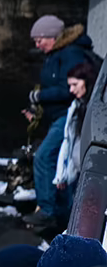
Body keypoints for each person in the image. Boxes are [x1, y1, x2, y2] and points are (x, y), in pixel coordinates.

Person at [25, 15, 98, 229]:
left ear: (53, 37)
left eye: (39, 40)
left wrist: (40, 96)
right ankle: (63, 215)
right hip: (58, 115)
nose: (37, 45)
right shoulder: (57, 55)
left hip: (68, 115)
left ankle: (47, 210)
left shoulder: (70, 54)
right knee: (62, 165)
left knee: (44, 157)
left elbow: (68, 88)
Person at [54, 60, 98, 219]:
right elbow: (68, 141)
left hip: (94, 170)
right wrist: (62, 173)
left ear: (86, 81)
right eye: (70, 85)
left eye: (75, 84)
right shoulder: (76, 107)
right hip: (78, 171)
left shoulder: (97, 107)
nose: (71, 90)